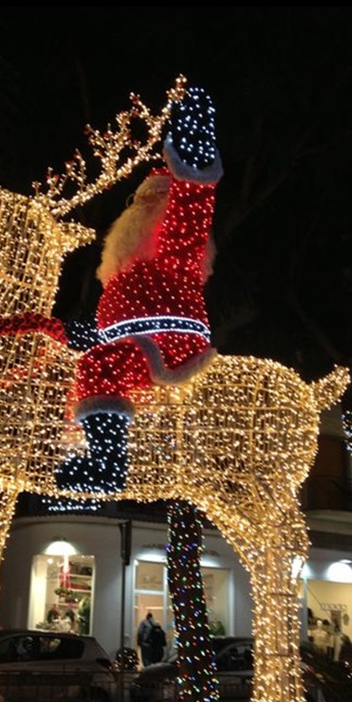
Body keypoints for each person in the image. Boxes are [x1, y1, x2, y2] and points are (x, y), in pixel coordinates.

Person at [56, 86, 223, 493]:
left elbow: (192, 208)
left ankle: (108, 468)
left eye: (152, 203)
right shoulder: (121, 273)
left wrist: (193, 162)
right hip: (128, 337)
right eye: (139, 204)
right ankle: (70, 447)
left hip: (169, 338)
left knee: (101, 367)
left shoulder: (176, 250)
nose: (142, 210)